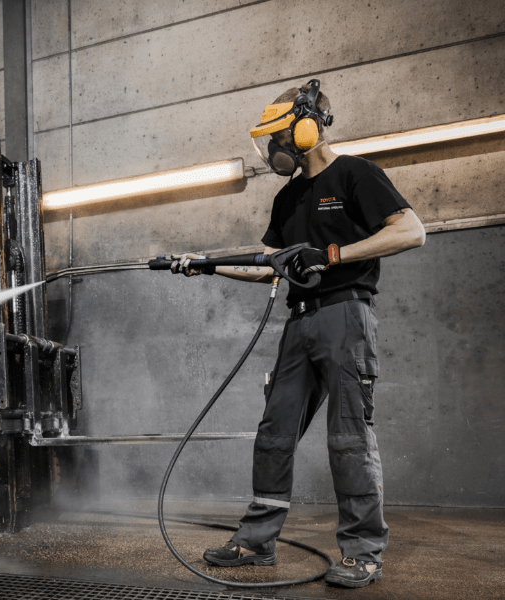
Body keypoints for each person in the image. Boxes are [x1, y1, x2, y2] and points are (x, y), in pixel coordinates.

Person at [170, 79, 425, 589]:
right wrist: (207, 266)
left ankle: (362, 552)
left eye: (278, 136)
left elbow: (411, 230)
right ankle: (257, 542)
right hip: (300, 321)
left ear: (306, 127)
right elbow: (270, 267)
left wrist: (332, 255)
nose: (271, 150)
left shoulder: (356, 174)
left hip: (346, 315)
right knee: (274, 433)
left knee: (348, 438)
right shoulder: (286, 201)